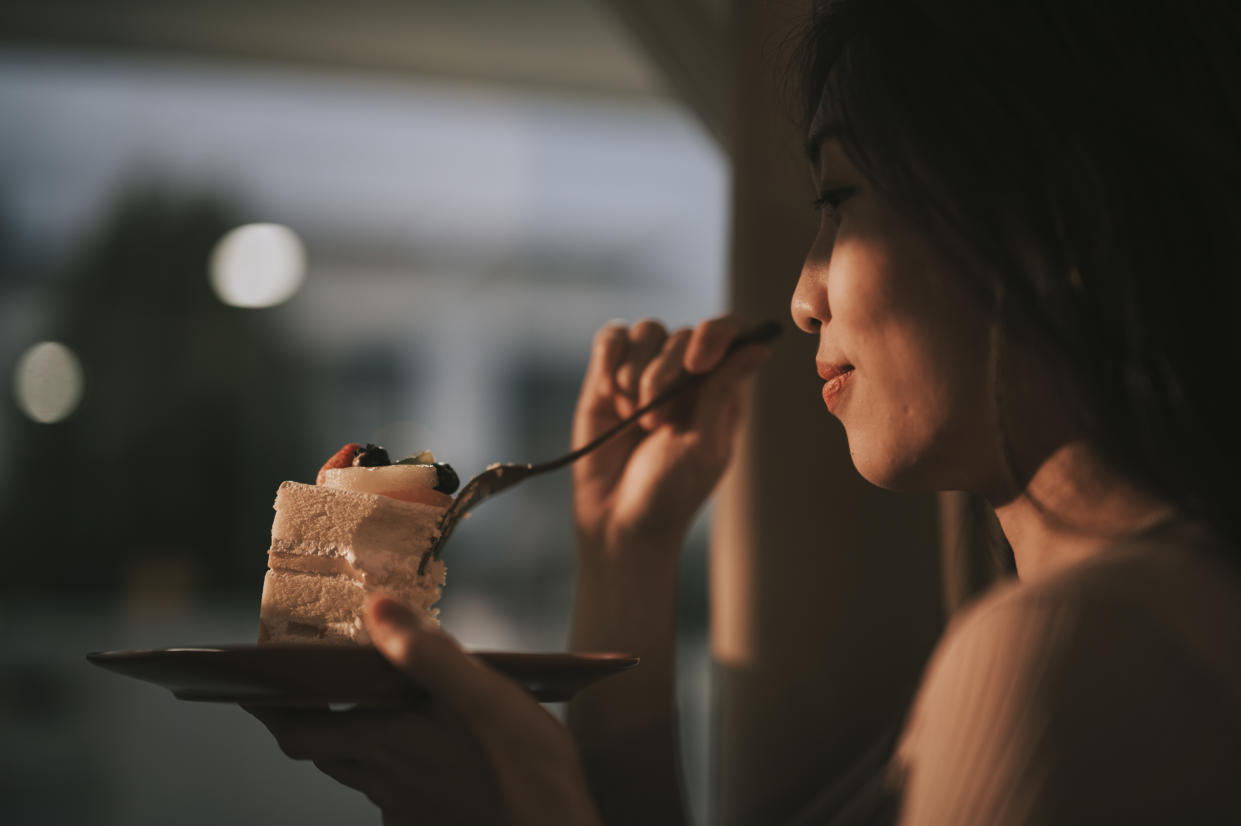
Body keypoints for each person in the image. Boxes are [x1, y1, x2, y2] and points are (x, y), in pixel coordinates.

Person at [249, 0, 1241, 822]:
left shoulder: (1068, 648)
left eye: (841, 198)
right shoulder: (1132, 610)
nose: (803, 296)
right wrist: (626, 548)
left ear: (1053, 228)